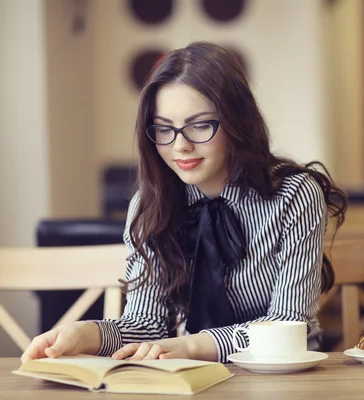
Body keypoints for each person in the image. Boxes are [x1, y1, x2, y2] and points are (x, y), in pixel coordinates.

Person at [21, 41, 347, 364]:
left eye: (200, 125)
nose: (180, 146)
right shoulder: (149, 205)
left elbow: (289, 327)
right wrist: (84, 334)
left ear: (237, 121)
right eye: (164, 129)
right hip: (186, 379)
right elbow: (146, 326)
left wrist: (191, 346)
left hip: (282, 379)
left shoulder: (293, 194)